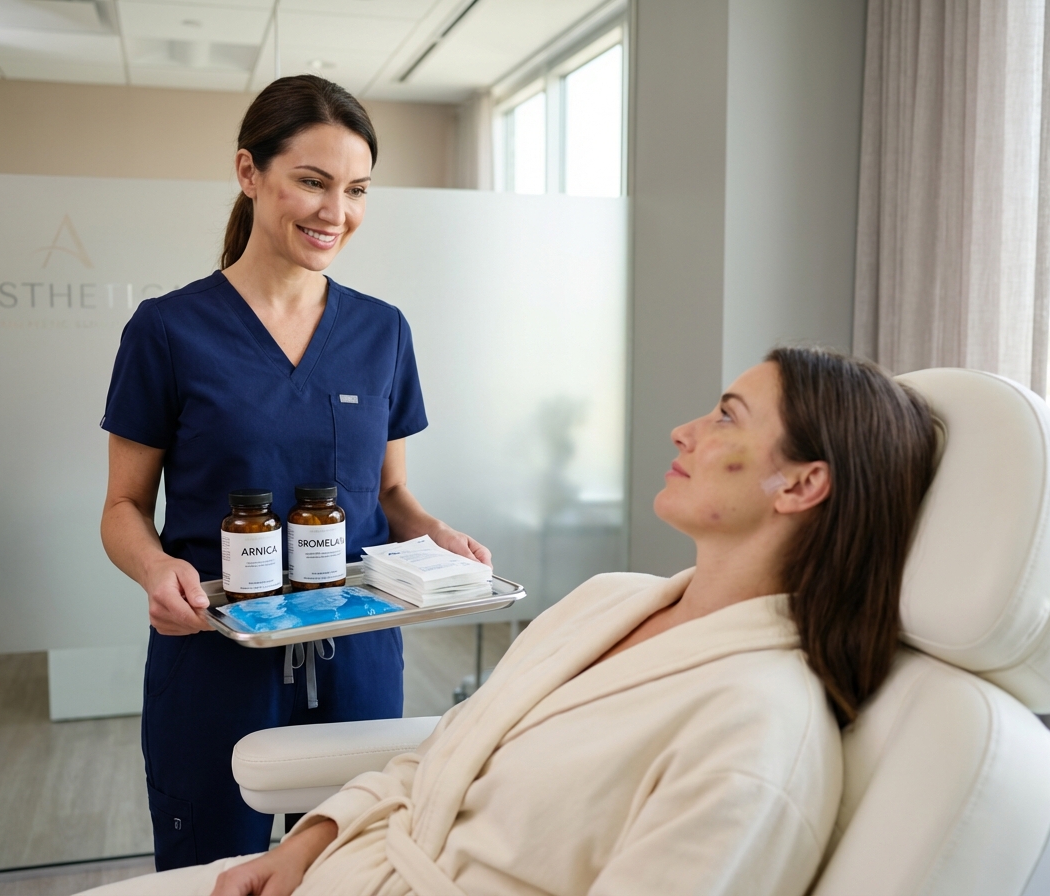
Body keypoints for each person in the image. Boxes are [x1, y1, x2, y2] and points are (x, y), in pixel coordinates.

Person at [86, 347, 938, 896]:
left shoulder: (756, 736)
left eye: (726, 416)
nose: (685, 429)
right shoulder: (612, 600)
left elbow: (389, 493)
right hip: (338, 865)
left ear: (800, 486)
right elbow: (451, 747)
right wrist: (308, 840)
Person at [99, 75, 490, 872]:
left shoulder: (381, 331)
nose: (334, 212)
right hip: (217, 659)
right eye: (311, 182)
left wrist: (436, 534)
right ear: (250, 174)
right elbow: (122, 506)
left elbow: (388, 493)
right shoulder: (169, 330)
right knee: (215, 869)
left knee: (352, 868)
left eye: (355, 189)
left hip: (358, 655)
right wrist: (156, 567)